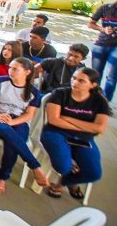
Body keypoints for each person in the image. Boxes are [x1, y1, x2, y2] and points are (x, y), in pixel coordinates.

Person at [42, 68, 111, 200]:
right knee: (63, 166)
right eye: (74, 78)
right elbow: (54, 120)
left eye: (81, 81)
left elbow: (100, 128)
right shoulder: (60, 93)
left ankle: (65, 182)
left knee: (94, 173)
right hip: (56, 133)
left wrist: (69, 119)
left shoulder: (100, 101)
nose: (75, 82)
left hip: (83, 139)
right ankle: (69, 177)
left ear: (93, 85)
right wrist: (86, 127)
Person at [0, 57, 49, 194]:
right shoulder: (0, 81)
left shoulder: (33, 92)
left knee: (12, 144)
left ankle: (2, 178)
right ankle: (34, 165)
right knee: (6, 131)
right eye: (10, 67)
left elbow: (29, 114)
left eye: (15, 69)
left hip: (18, 120)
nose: (10, 71)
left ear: (27, 72)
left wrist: (12, 122)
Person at [87, 0, 117, 103]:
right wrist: (103, 29)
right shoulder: (105, 8)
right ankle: (92, 99)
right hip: (101, 44)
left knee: (111, 77)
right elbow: (90, 24)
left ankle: (104, 103)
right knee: (95, 74)